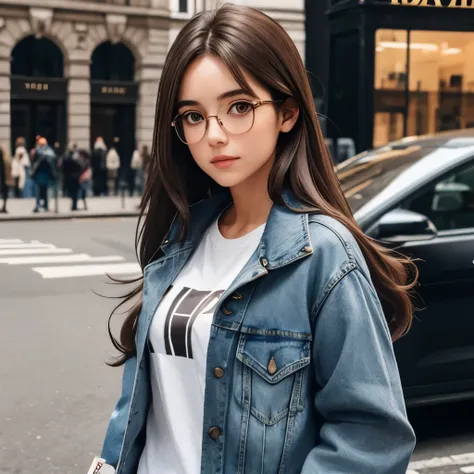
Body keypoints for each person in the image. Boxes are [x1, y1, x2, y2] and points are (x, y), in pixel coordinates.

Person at [94, 5, 419, 474]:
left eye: (239, 107)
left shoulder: (324, 255)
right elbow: (141, 410)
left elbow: (370, 437)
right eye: (193, 116)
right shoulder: (181, 238)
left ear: (287, 113)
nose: (214, 135)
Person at [31, 137, 56, 213]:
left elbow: (34, 162)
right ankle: (46, 205)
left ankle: (38, 205)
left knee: (38, 191)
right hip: (47, 174)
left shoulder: (38, 151)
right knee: (46, 191)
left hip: (39, 174)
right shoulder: (50, 152)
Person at [62, 144, 82, 211]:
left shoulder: (66, 158)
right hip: (74, 178)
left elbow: (63, 168)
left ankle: (73, 205)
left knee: (72, 192)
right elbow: (79, 166)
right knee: (75, 193)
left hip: (69, 177)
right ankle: (74, 206)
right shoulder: (75, 158)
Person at [0, 143, 12, 213]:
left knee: (4, 192)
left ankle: (4, 207)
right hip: (5, 178)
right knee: (5, 193)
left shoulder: (4, 159)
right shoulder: (6, 157)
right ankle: (4, 207)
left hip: (3, 178)